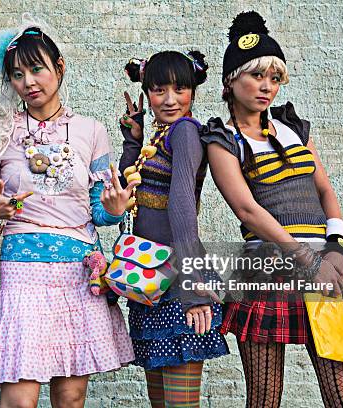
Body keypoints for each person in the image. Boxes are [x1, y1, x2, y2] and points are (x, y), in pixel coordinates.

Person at [200, 11, 343, 407]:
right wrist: (310, 260)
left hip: (324, 268)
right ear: (231, 80)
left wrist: (336, 250)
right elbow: (247, 210)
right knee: (264, 397)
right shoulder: (222, 139)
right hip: (267, 272)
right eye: (256, 76)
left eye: (274, 78)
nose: (266, 87)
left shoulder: (293, 128)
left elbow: (325, 191)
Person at [0, 19, 135, 408]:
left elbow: (98, 209)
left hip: (78, 267)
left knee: (71, 397)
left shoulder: (91, 131)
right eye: (18, 74)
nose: (29, 82)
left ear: (59, 67)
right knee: (20, 397)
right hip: (23, 271)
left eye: (37, 69)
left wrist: (111, 211)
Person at [117, 50, 229, 408]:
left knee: (180, 404)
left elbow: (182, 205)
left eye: (180, 89)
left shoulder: (184, 131)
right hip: (151, 276)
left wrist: (194, 288)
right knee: (161, 403)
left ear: (193, 92)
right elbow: (127, 185)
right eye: (158, 89)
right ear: (146, 92)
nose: (169, 99)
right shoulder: (160, 136)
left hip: (179, 281)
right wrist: (133, 138)